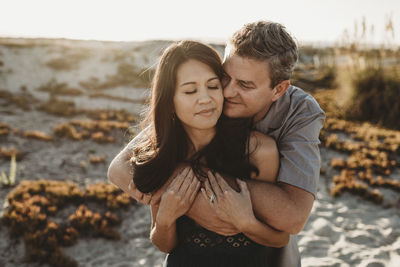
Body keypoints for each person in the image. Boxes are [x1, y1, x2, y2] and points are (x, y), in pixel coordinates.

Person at [109, 21, 325, 266]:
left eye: (245, 85)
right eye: (224, 77)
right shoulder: (203, 106)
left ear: (278, 90)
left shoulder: (293, 118)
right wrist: (177, 207)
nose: (227, 92)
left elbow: (292, 219)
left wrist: (192, 178)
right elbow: (120, 167)